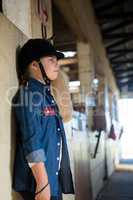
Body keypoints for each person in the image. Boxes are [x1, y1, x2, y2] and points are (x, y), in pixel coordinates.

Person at [12, 39, 74, 200]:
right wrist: (42, 183)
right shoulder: (28, 95)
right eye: (51, 60)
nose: (57, 65)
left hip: (52, 182)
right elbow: (32, 142)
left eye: (56, 61)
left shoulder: (46, 96)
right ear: (34, 65)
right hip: (39, 186)